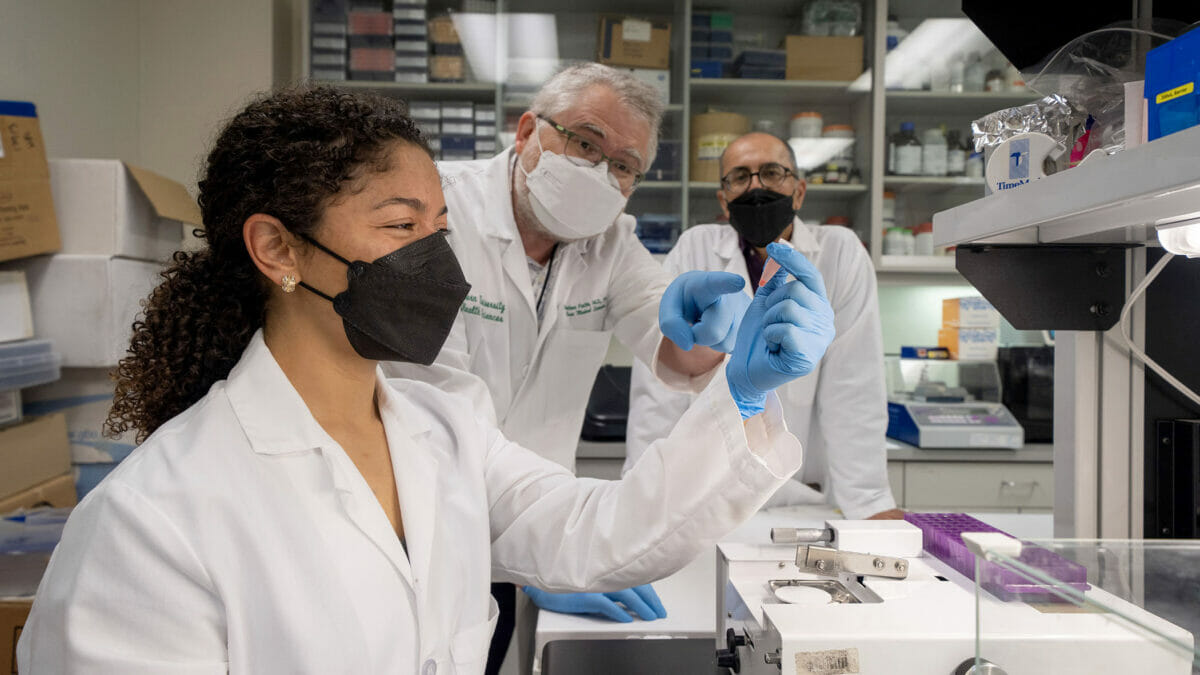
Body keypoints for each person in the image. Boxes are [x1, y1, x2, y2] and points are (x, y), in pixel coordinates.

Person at [16, 87, 836, 674]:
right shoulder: (149, 526)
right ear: (278, 249)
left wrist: (741, 393)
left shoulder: (446, 429)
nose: (437, 263)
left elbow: (607, 527)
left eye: (439, 229)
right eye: (401, 227)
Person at [381, 63, 753, 667]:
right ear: (528, 130)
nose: (600, 172)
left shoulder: (610, 241)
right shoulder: (437, 212)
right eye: (585, 142)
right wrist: (549, 549)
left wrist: (712, 330)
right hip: (425, 523)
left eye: (624, 165)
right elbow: (429, 406)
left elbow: (673, 342)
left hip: (540, 529)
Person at [625, 132, 902, 521]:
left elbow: (855, 389)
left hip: (803, 497)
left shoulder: (840, 253)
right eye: (739, 177)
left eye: (771, 173)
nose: (756, 187)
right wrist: (643, 499)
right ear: (723, 201)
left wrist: (870, 501)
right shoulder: (696, 249)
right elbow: (659, 390)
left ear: (799, 192)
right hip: (705, 496)